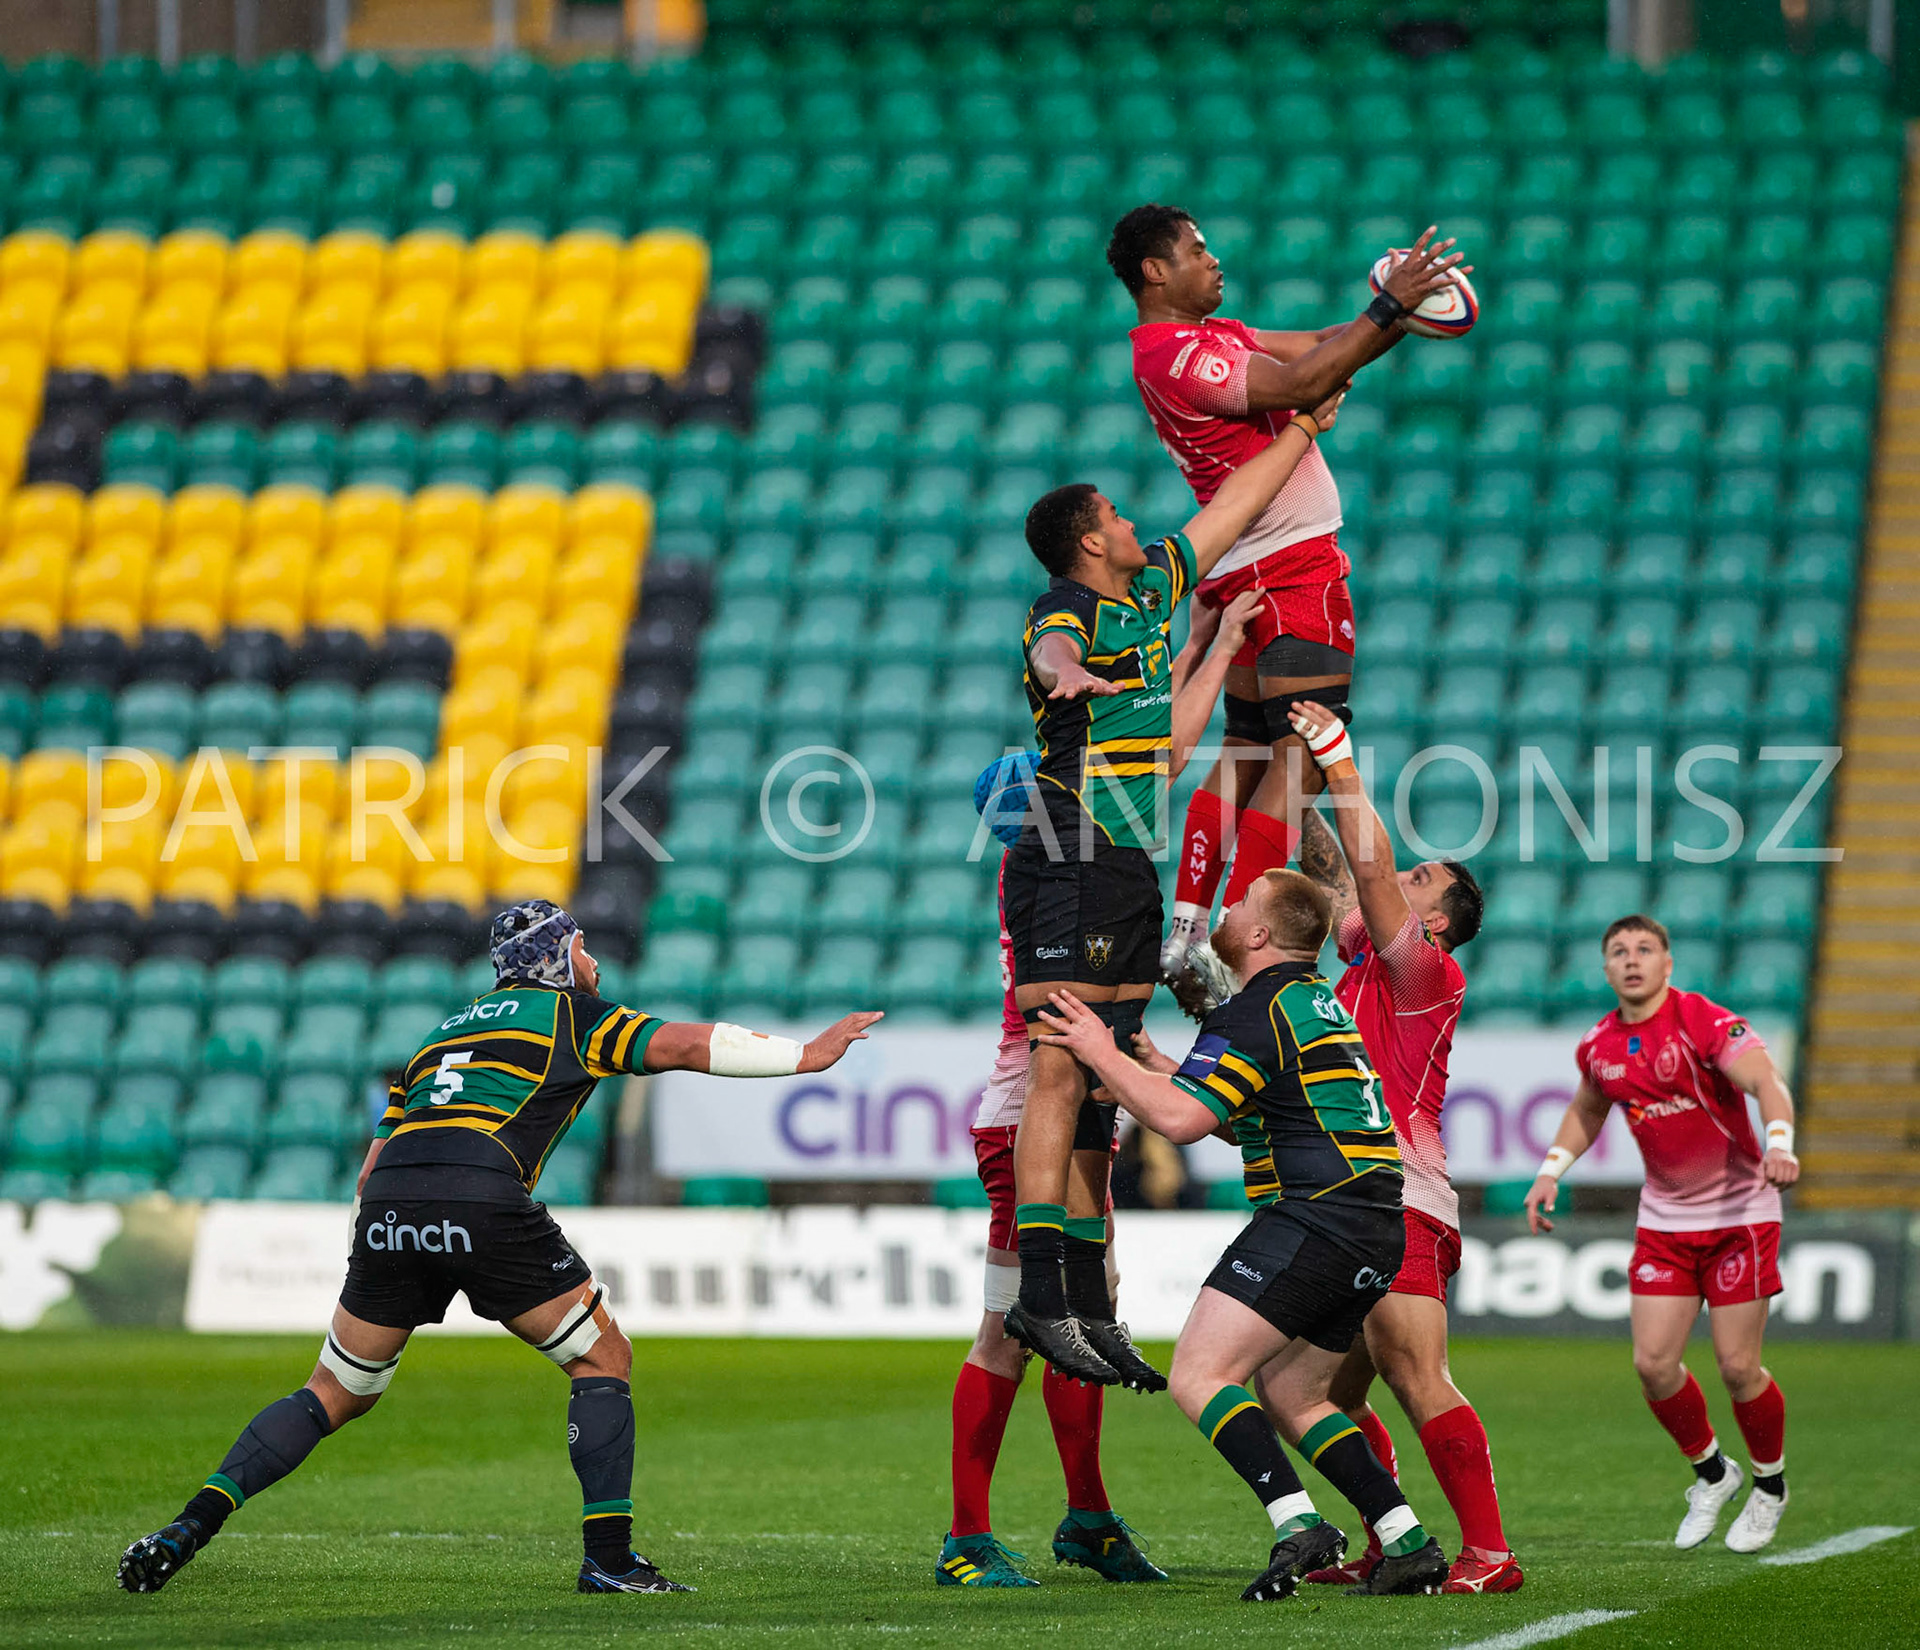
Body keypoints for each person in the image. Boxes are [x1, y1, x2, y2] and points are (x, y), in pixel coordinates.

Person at [118, 900, 882, 1597]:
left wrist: (388, 1244)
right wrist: (805, 1055)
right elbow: (681, 1044)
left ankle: (187, 1527)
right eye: (582, 948)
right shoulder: (572, 1015)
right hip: (479, 1189)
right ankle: (610, 1561)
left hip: (391, 1202)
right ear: (557, 957)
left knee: (334, 1390)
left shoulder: (441, 1035)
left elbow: (370, 1171)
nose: (593, 962)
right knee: (601, 1359)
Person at [1003, 375, 1358, 1387]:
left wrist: (1301, 427)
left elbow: (1233, 508)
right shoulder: (1067, 607)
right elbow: (1055, 653)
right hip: (1068, 842)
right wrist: (1067, 675)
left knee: (1104, 1075)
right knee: (1061, 1066)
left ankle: (1086, 1299)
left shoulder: (1156, 595)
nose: (1132, 521)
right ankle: (1040, 1295)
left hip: (1124, 856)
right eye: (1114, 515)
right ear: (1088, 541)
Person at [943, 599, 1258, 1588]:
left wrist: (1202, 645)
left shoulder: (1055, 873)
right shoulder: (1061, 876)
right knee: (1013, 1325)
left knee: (1085, 1309)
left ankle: (1086, 1515)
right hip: (1024, 1117)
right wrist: (1211, 646)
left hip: (1072, 1110)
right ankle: (967, 1537)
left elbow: (1151, 752)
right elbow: (1155, 760)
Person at [1036, 870, 1449, 1601]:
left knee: (1200, 1375)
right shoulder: (1311, 1000)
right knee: (1295, 1396)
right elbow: (1245, 1117)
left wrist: (1100, 1051)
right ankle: (1408, 1542)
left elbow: (1181, 1122)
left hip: (1317, 1215)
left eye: (1239, 904)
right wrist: (1161, 1069)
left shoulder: (1255, 1010)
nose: (1223, 911)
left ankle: (1300, 1526)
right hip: (1374, 1222)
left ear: (1258, 935)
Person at [1106, 204, 1467, 981]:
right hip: (1294, 567)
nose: (1214, 259)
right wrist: (1390, 310)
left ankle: (1189, 930)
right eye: (1196, 250)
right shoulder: (1180, 357)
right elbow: (1306, 379)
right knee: (1299, 761)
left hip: (1246, 565)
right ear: (1155, 272)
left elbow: (1320, 348)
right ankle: (1241, 946)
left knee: (1244, 749)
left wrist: (1397, 313)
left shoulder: (1206, 339)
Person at [1282, 701, 1517, 1595]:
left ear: (1438, 923)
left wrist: (1339, 757)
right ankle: (1392, 1542)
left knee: (1418, 1374)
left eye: (1423, 880)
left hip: (1402, 1197)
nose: (1401, 877)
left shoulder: (1424, 972)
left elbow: (1369, 872)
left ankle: (1491, 1555)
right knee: (1312, 1393)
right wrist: (1288, 767)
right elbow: (1331, 872)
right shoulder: (1364, 967)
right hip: (1350, 1202)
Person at [1525, 914, 1800, 1554]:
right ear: (1605, 969)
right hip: (1664, 1222)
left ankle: (1770, 1486)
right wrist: (1550, 1171)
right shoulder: (1598, 1045)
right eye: (1619, 951)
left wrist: (1780, 1143)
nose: (1632, 959)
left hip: (1739, 1216)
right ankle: (1713, 1474)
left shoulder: (1701, 1020)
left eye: (1644, 949)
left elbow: (1766, 1081)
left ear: (1667, 963)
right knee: (1652, 1365)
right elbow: (1587, 1108)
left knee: (1738, 1367)